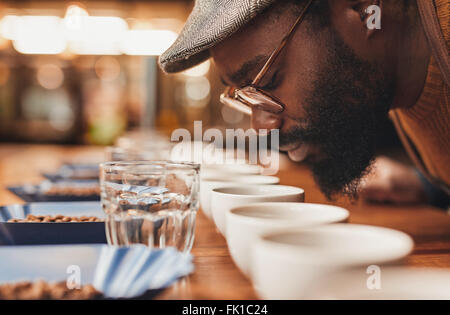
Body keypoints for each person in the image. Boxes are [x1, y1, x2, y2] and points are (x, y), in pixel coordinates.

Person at [159, 0, 449, 207]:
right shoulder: (397, 83)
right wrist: (428, 187)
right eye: (244, 95)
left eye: (269, 81)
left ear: (363, 9)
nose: (261, 126)